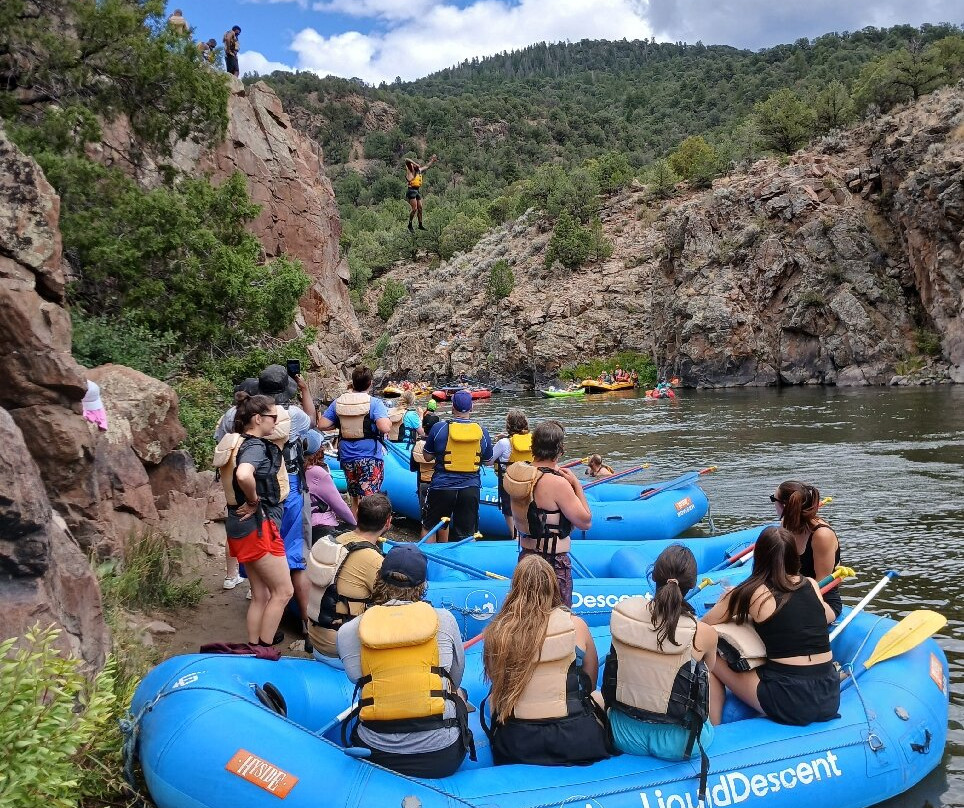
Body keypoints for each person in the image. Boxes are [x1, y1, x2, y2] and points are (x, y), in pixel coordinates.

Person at [337, 544, 475, 778]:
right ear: (422, 585)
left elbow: (355, 677)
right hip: (441, 756)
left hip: (376, 752)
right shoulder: (444, 619)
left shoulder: (350, 631)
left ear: (379, 578)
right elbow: (455, 677)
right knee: (459, 692)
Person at [702, 526, 839, 727]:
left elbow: (705, 624)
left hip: (788, 698)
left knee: (709, 650)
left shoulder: (751, 592)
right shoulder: (811, 584)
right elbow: (822, 615)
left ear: (759, 557)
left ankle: (715, 728)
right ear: (794, 557)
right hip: (829, 694)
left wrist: (729, 598)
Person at [481, 555, 610, 766]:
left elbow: (497, 683)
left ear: (515, 587)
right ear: (552, 586)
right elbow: (590, 682)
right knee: (599, 696)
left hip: (517, 743)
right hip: (575, 739)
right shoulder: (576, 626)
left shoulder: (498, 631)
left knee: (494, 699)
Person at [603, 545, 717, 769]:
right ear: (691, 585)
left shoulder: (623, 615)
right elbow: (709, 672)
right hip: (680, 744)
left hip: (622, 733)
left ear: (654, 577)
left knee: (597, 696)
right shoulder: (704, 633)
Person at [222, 393, 294, 646]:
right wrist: (253, 500)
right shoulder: (255, 447)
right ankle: (264, 648)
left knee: (260, 594)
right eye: (273, 416)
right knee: (283, 591)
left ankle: (253, 646)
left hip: (238, 526)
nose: (276, 421)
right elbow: (244, 474)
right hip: (258, 528)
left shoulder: (237, 442)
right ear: (257, 418)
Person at [258, 364, 317, 643]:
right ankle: (306, 624)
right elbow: (312, 420)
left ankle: (265, 623)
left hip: (259, 491)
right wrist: (304, 388)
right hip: (290, 488)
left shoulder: (248, 415)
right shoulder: (293, 415)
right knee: (297, 557)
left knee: (266, 554)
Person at [509, 420, 591, 607]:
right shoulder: (557, 483)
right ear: (559, 450)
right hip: (552, 563)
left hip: (526, 560)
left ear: (533, 446)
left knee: (528, 614)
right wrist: (576, 484)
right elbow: (585, 522)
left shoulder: (517, 475)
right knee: (558, 617)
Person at [307, 493, 389, 663]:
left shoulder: (332, 540)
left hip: (315, 635)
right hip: (341, 648)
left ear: (357, 514)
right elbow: (390, 602)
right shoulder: (373, 560)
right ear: (388, 522)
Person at [318, 366, 391, 518]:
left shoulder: (339, 402)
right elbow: (384, 427)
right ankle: (368, 527)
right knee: (369, 498)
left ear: (353, 382)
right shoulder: (374, 403)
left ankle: (354, 524)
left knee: (354, 496)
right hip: (369, 456)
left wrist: (339, 424)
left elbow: (322, 425)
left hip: (347, 456)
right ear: (370, 383)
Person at [421, 389, 494, 542]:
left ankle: (429, 556)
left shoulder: (439, 428)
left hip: (442, 486)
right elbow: (488, 461)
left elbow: (427, 457)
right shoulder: (482, 432)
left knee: (430, 527)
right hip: (470, 488)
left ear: (453, 407)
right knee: (467, 534)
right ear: (471, 408)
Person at [772, 481, 844, 618]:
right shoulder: (785, 525)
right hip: (791, 590)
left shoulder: (821, 535)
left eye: (773, 499)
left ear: (783, 505)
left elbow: (822, 582)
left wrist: (788, 601)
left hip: (821, 599)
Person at [303, 429, 356, 544]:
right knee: (355, 530)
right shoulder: (317, 472)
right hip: (321, 527)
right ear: (319, 450)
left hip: (302, 526)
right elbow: (339, 506)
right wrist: (355, 524)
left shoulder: (296, 469)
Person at [489, 409, 532, 535]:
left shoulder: (503, 443)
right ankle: (528, 534)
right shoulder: (534, 440)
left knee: (509, 510)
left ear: (508, 425)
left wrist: (500, 442)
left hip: (509, 482)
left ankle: (515, 536)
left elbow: (489, 461)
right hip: (529, 480)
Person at [411, 411, 440, 528]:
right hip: (439, 483)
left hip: (423, 483)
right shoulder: (442, 444)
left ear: (423, 427)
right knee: (441, 516)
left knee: (426, 518)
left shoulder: (417, 445)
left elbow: (413, 467)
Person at [404, 154, 438, 231]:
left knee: (420, 208)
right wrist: (414, 163)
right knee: (414, 209)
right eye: (415, 165)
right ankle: (410, 224)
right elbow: (406, 159)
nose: (417, 166)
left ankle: (420, 224)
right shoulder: (410, 169)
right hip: (411, 190)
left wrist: (432, 160)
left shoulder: (419, 170)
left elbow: (427, 166)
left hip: (417, 190)